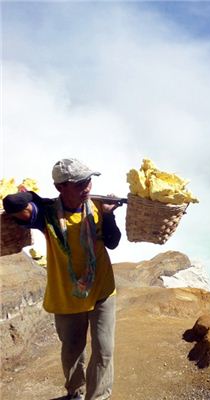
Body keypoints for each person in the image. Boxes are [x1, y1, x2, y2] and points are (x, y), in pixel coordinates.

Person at [2, 158, 122, 400]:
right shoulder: (46, 214)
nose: (87, 187)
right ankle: (75, 393)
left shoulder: (97, 207)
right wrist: (34, 196)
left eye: (88, 181)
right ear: (60, 187)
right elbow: (12, 202)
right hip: (67, 295)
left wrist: (109, 215)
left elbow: (113, 242)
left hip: (101, 290)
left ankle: (98, 397)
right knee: (72, 352)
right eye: (79, 184)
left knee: (104, 351)